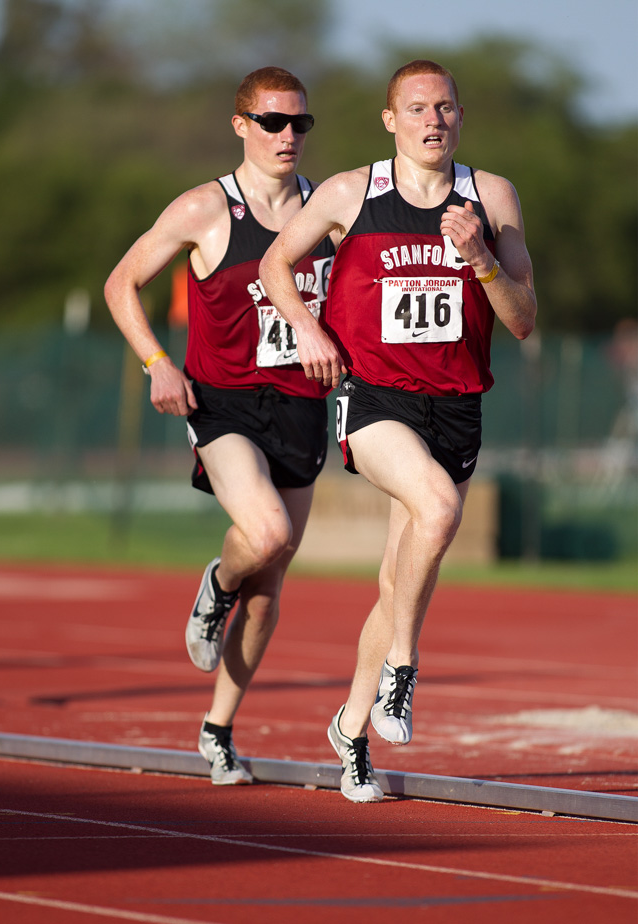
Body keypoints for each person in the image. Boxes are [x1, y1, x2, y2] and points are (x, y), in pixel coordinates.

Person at [259, 59, 537, 802]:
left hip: (457, 401)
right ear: (391, 120)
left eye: (444, 107)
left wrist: (479, 257)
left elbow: (522, 318)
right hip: (373, 396)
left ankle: (351, 730)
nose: (432, 120)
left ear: (460, 115)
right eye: (416, 108)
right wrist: (307, 331)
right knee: (438, 508)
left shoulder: (492, 196)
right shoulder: (354, 192)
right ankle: (402, 670)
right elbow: (276, 263)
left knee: (399, 580)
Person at [104, 67, 335, 786]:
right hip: (222, 403)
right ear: (241, 125)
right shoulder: (208, 208)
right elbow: (121, 283)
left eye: (300, 123)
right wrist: (155, 363)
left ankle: (218, 729)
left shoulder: (327, 210)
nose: (288, 136)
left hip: (301, 406)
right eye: (273, 123)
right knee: (264, 535)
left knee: (269, 585)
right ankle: (216, 582)